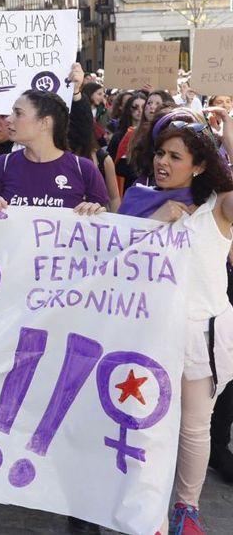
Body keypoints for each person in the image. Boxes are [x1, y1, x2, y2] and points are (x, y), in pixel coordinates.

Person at [115, 115, 233, 534]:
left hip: (200, 335)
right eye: (161, 153)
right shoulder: (136, 200)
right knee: (143, 425)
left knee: (195, 427)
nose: (163, 162)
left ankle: (186, 509)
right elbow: (113, 261)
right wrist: (156, 220)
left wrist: (228, 139)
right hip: (144, 333)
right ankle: (147, 511)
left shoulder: (215, 208)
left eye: (176, 156)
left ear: (199, 165)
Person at [0, 89, 108, 215]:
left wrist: (95, 211)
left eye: (18, 113)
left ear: (44, 122)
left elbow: (102, 224)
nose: (9, 119)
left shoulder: (84, 169)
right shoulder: (2, 165)